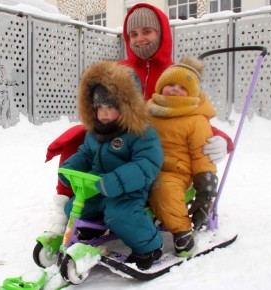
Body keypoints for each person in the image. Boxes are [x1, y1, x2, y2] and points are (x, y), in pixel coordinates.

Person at [44, 2, 233, 240]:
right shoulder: (120, 70)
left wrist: (223, 139)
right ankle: (65, 208)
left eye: (147, 31)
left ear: (161, 33)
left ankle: (142, 221)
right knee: (79, 139)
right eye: (133, 34)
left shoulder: (174, 76)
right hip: (118, 141)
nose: (139, 39)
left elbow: (192, 114)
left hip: (156, 148)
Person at [59, 60, 164, 270]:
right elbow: (86, 154)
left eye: (110, 107)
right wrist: (71, 168)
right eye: (99, 107)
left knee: (121, 215)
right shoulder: (95, 132)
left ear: (126, 106)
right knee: (72, 207)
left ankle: (150, 246)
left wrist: (116, 180)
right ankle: (94, 229)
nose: (104, 113)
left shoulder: (140, 132)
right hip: (98, 187)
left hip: (128, 191)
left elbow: (147, 164)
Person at [147, 57, 219, 257]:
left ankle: (182, 233)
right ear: (161, 86)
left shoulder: (196, 120)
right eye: (170, 84)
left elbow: (201, 154)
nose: (175, 89)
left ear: (193, 93)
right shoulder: (149, 111)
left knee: (164, 189)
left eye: (182, 87)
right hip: (144, 166)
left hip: (177, 173)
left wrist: (206, 183)